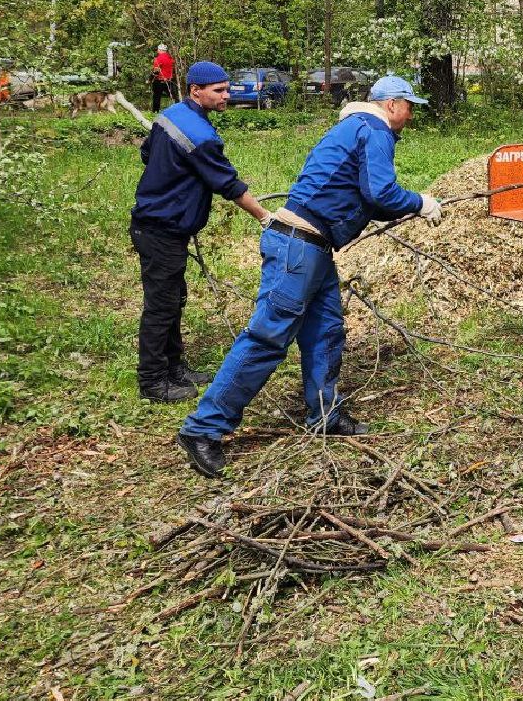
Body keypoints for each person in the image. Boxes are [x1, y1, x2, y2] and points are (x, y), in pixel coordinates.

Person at [176, 75, 446, 478]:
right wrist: (421, 203)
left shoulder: (353, 127)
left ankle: (325, 415)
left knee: (326, 330)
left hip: (312, 246)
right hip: (298, 247)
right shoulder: (374, 129)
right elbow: (380, 193)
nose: (411, 115)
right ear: (391, 104)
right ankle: (203, 429)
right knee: (268, 336)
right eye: (409, 106)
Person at [131, 61, 271, 402]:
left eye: (226, 89)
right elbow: (229, 184)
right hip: (159, 228)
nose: (226, 95)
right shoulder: (201, 135)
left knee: (175, 299)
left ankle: (174, 368)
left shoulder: (171, 115)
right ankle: (152, 382)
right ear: (197, 90)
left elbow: (146, 152)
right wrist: (265, 216)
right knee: (161, 305)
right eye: (219, 91)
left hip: (165, 227)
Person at [151, 44, 177, 113]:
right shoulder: (170, 58)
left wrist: (151, 78)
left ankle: (155, 112)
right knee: (173, 97)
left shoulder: (159, 58)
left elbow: (156, 71)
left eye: (158, 49)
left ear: (160, 50)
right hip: (169, 80)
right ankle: (177, 110)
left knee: (156, 97)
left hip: (159, 80)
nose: (157, 51)